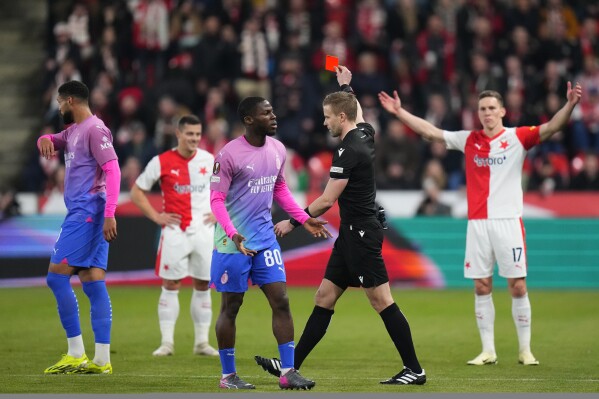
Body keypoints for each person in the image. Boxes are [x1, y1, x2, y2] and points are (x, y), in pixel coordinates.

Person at [378, 81, 583, 366]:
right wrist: (400, 113)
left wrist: (570, 105)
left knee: (518, 286)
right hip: (478, 224)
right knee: (481, 286)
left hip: (508, 222)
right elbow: (430, 132)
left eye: (491, 108)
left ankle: (525, 350)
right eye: (482, 109)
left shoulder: (517, 138)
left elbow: (551, 127)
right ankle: (488, 351)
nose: (486, 113)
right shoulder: (468, 139)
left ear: (502, 111)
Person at [255, 66, 427, 385]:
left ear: (341, 119)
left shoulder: (349, 150)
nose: (325, 122)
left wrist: (294, 222)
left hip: (361, 235)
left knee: (381, 301)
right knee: (324, 297)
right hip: (351, 235)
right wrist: (346, 86)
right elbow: (357, 111)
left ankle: (415, 369)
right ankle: (289, 367)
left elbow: (325, 201)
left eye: (328, 117)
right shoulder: (364, 132)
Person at [209, 96, 331, 390]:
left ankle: (288, 371)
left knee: (282, 300)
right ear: (249, 120)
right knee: (231, 306)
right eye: (267, 113)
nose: (274, 116)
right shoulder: (228, 155)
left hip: (265, 240)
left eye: (273, 111)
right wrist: (231, 231)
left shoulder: (278, 149)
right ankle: (228, 376)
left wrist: (303, 219)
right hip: (232, 243)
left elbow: (280, 189)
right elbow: (216, 200)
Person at [37, 80, 121, 374]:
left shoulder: (95, 129)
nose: (58, 108)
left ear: (70, 100)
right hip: (89, 211)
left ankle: (76, 353)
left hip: (87, 211)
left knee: (56, 278)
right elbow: (54, 139)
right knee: (92, 281)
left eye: (59, 103)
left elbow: (113, 169)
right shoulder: (74, 131)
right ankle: (101, 359)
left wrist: (110, 212)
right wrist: (44, 138)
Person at [130, 115, 219, 357]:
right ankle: (166, 343)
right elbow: (136, 191)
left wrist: (218, 213)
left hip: (203, 231)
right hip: (174, 233)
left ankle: (201, 343)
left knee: (203, 285)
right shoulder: (161, 161)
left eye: (198, 134)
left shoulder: (209, 159)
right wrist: (156, 217)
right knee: (170, 284)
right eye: (189, 134)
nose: (194, 139)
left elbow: (226, 189)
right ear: (178, 134)